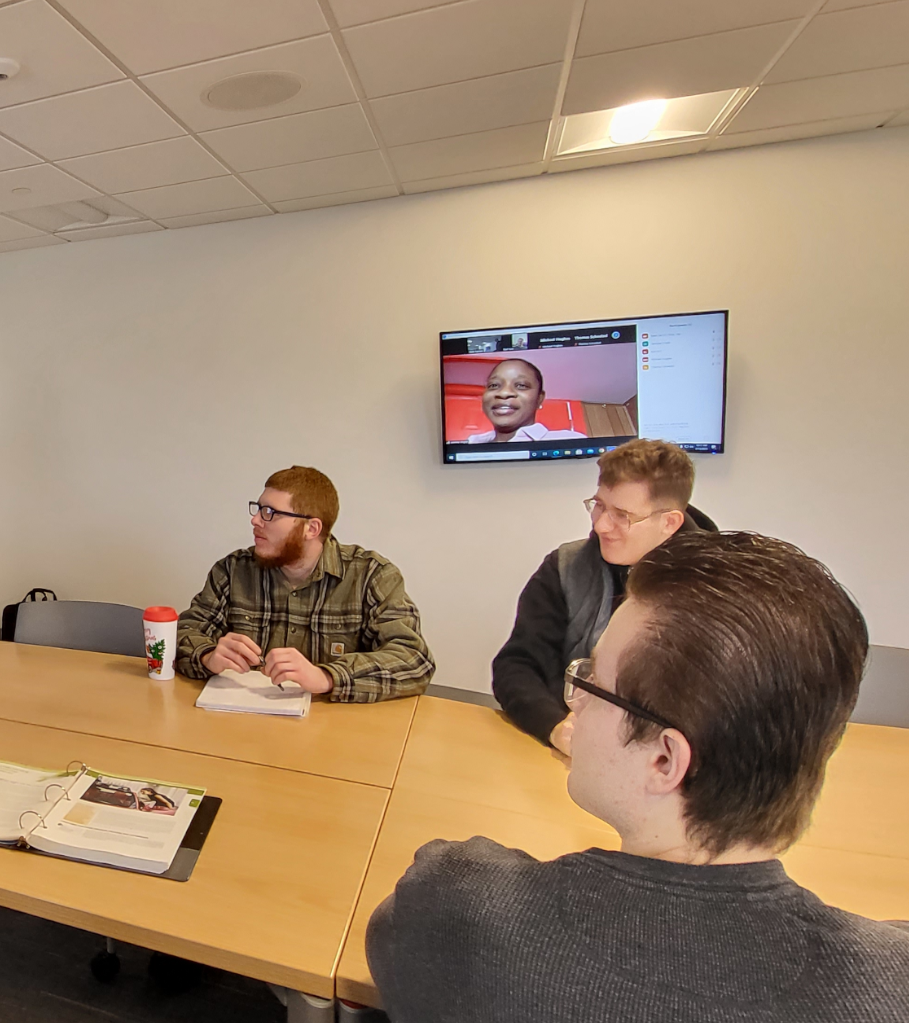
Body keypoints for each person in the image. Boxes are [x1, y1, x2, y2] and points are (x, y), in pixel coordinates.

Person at [367, 530, 909, 1021]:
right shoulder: (889, 982)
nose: (572, 700)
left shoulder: (454, 906)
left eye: (594, 682)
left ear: (665, 761)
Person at [492, 439, 714, 754]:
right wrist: (555, 728)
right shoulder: (565, 567)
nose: (600, 525)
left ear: (669, 522)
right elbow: (516, 666)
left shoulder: (719, 591)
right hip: (572, 758)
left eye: (622, 515)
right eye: (598, 505)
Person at [173, 466, 434, 702]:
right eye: (258, 508)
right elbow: (182, 632)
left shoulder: (372, 576)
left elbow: (414, 660)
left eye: (270, 513)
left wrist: (327, 677)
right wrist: (207, 656)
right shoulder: (232, 570)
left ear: (311, 528)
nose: (255, 520)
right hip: (241, 727)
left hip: (334, 736)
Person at [464, 357, 585, 443]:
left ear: (539, 399)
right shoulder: (471, 443)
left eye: (521, 385)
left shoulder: (569, 441)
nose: (504, 393)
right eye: (494, 385)